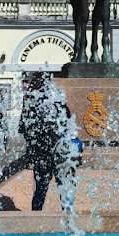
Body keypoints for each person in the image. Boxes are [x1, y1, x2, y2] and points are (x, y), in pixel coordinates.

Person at [18, 73, 83, 211]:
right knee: (64, 185)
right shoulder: (57, 101)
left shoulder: (31, 104)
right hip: (60, 151)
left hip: (41, 153)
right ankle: (69, 220)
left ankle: (36, 219)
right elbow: (68, 121)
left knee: (41, 189)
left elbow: (22, 129)